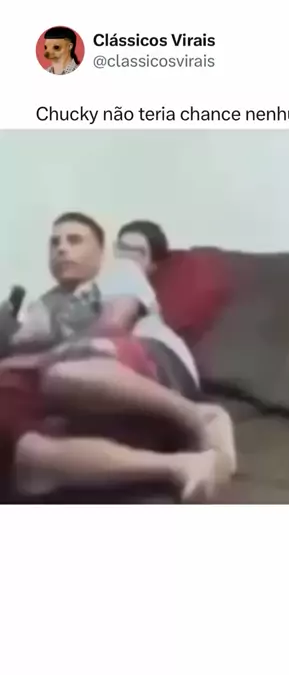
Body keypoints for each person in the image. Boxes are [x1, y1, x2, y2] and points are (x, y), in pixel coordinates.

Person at [0, 213, 236, 500]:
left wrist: (33, 360)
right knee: (29, 454)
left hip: (152, 357)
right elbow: (18, 346)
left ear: (101, 251)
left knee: (66, 372)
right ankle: (177, 466)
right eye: (54, 242)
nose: (61, 248)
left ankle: (198, 415)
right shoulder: (47, 302)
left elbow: (113, 324)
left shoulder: (119, 272)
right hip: (88, 381)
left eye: (74, 240)